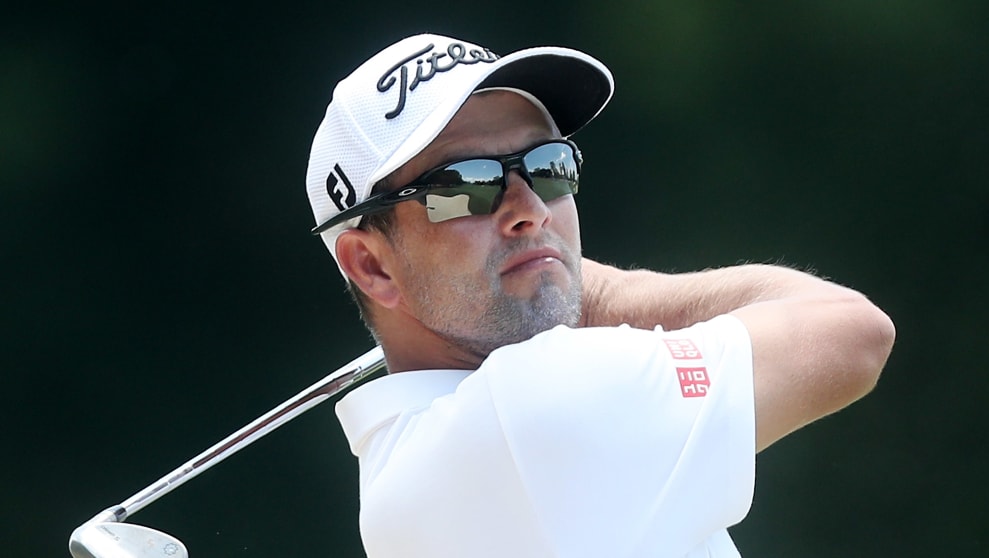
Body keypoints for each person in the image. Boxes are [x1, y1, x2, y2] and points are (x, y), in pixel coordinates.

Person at [303, 33, 895, 558]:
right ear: (372, 266)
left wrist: (542, 273)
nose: (530, 210)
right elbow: (852, 331)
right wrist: (586, 284)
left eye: (547, 165)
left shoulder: (397, 478)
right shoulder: (536, 402)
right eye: (466, 184)